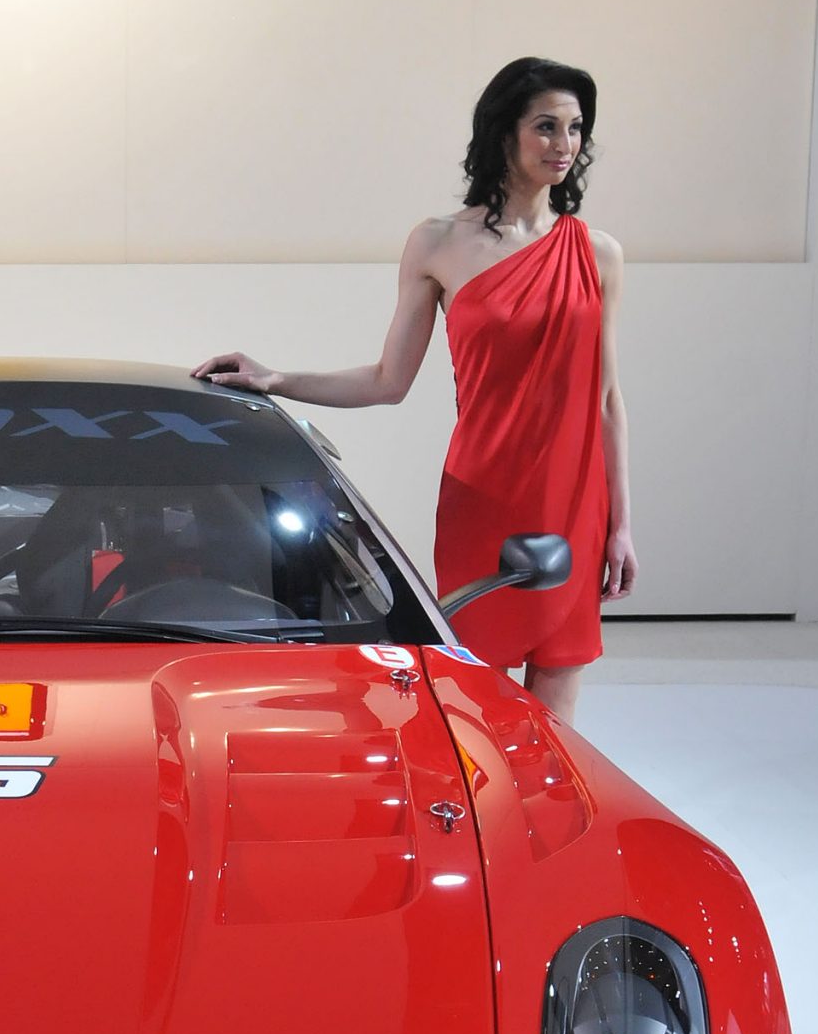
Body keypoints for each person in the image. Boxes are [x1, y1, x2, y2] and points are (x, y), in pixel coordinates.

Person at [193, 57, 636, 724]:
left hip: (577, 503)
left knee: (557, 708)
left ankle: (542, 830)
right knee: (476, 704)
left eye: (575, 129)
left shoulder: (599, 253)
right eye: (546, 126)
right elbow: (387, 381)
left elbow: (607, 400)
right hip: (483, 496)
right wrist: (274, 377)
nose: (564, 145)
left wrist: (623, 524)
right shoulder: (437, 244)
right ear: (504, 133)